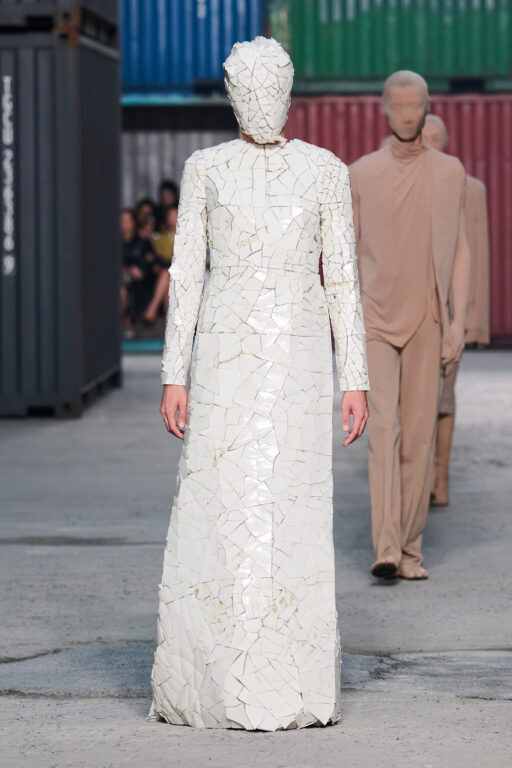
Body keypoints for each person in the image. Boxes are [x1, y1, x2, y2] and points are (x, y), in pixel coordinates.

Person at [148, 36, 369, 731]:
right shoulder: (206, 168)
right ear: (232, 95)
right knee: (221, 499)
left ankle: (293, 678)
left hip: (300, 358)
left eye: (272, 87)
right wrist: (174, 374)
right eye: (249, 89)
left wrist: (355, 377)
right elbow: (186, 274)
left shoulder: (325, 171)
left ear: (289, 92)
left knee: (292, 505)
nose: (261, 100)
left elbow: (342, 276)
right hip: (224, 356)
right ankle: (215, 678)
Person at [349, 71, 470, 580]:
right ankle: (387, 547)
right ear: (382, 108)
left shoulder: (448, 172)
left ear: (427, 107)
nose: (405, 114)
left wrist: (458, 322)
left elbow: (460, 249)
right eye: (396, 105)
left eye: (414, 105)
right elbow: (346, 257)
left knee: (418, 436)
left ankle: (411, 549)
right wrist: (345, 325)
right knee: (383, 430)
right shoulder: (360, 174)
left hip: (427, 317)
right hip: (375, 319)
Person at [422, 114, 491, 506]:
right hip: (411, 309)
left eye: (435, 137)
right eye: (422, 136)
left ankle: (440, 477)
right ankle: (417, 477)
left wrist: (471, 323)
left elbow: (474, 255)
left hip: (450, 313)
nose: (427, 143)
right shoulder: (407, 183)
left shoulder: (469, 189)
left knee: (443, 398)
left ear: (446, 142)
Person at [120, 208, 157, 338]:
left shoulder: (142, 242)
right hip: (119, 283)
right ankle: (125, 324)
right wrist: (128, 270)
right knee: (121, 291)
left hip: (141, 284)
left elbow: (145, 268)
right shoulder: (113, 243)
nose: (125, 224)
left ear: (134, 223)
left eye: (128, 221)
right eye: (122, 221)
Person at [142, 205, 178, 324]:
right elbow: (161, 255)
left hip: (181, 270)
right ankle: (169, 320)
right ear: (167, 219)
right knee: (167, 277)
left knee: (166, 274)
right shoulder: (161, 238)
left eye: (176, 216)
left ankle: (153, 307)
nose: (174, 219)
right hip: (168, 270)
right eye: (171, 217)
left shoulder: (187, 237)